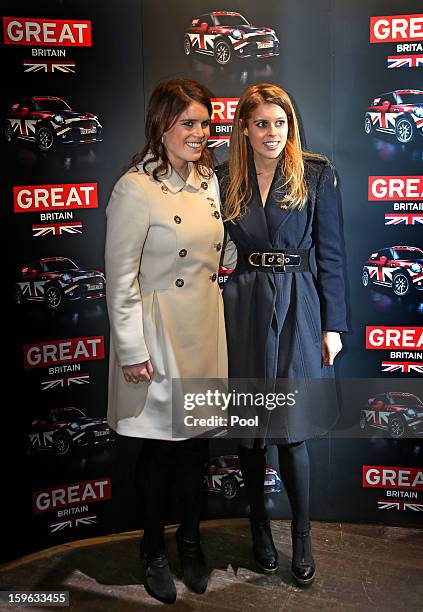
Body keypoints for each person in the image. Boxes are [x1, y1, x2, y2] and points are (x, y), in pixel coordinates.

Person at [217, 83, 348, 586]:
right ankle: (258, 530)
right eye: (261, 124)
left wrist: (334, 326)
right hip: (243, 306)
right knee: (250, 432)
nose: (273, 133)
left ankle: (302, 536)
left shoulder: (316, 174)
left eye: (280, 122)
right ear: (245, 129)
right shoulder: (225, 177)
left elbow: (332, 256)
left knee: (293, 434)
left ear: (290, 125)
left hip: (299, 305)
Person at [105, 79, 227, 604]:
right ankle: (153, 551)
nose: (198, 134)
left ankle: (192, 545)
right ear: (162, 125)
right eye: (188, 124)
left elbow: (213, 246)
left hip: (203, 327)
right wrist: (132, 350)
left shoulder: (207, 181)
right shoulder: (135, 188)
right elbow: (120, 278)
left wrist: (232, 262)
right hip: (157, 337)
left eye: (203, 123)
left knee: (195, 454)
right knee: (157, 456)